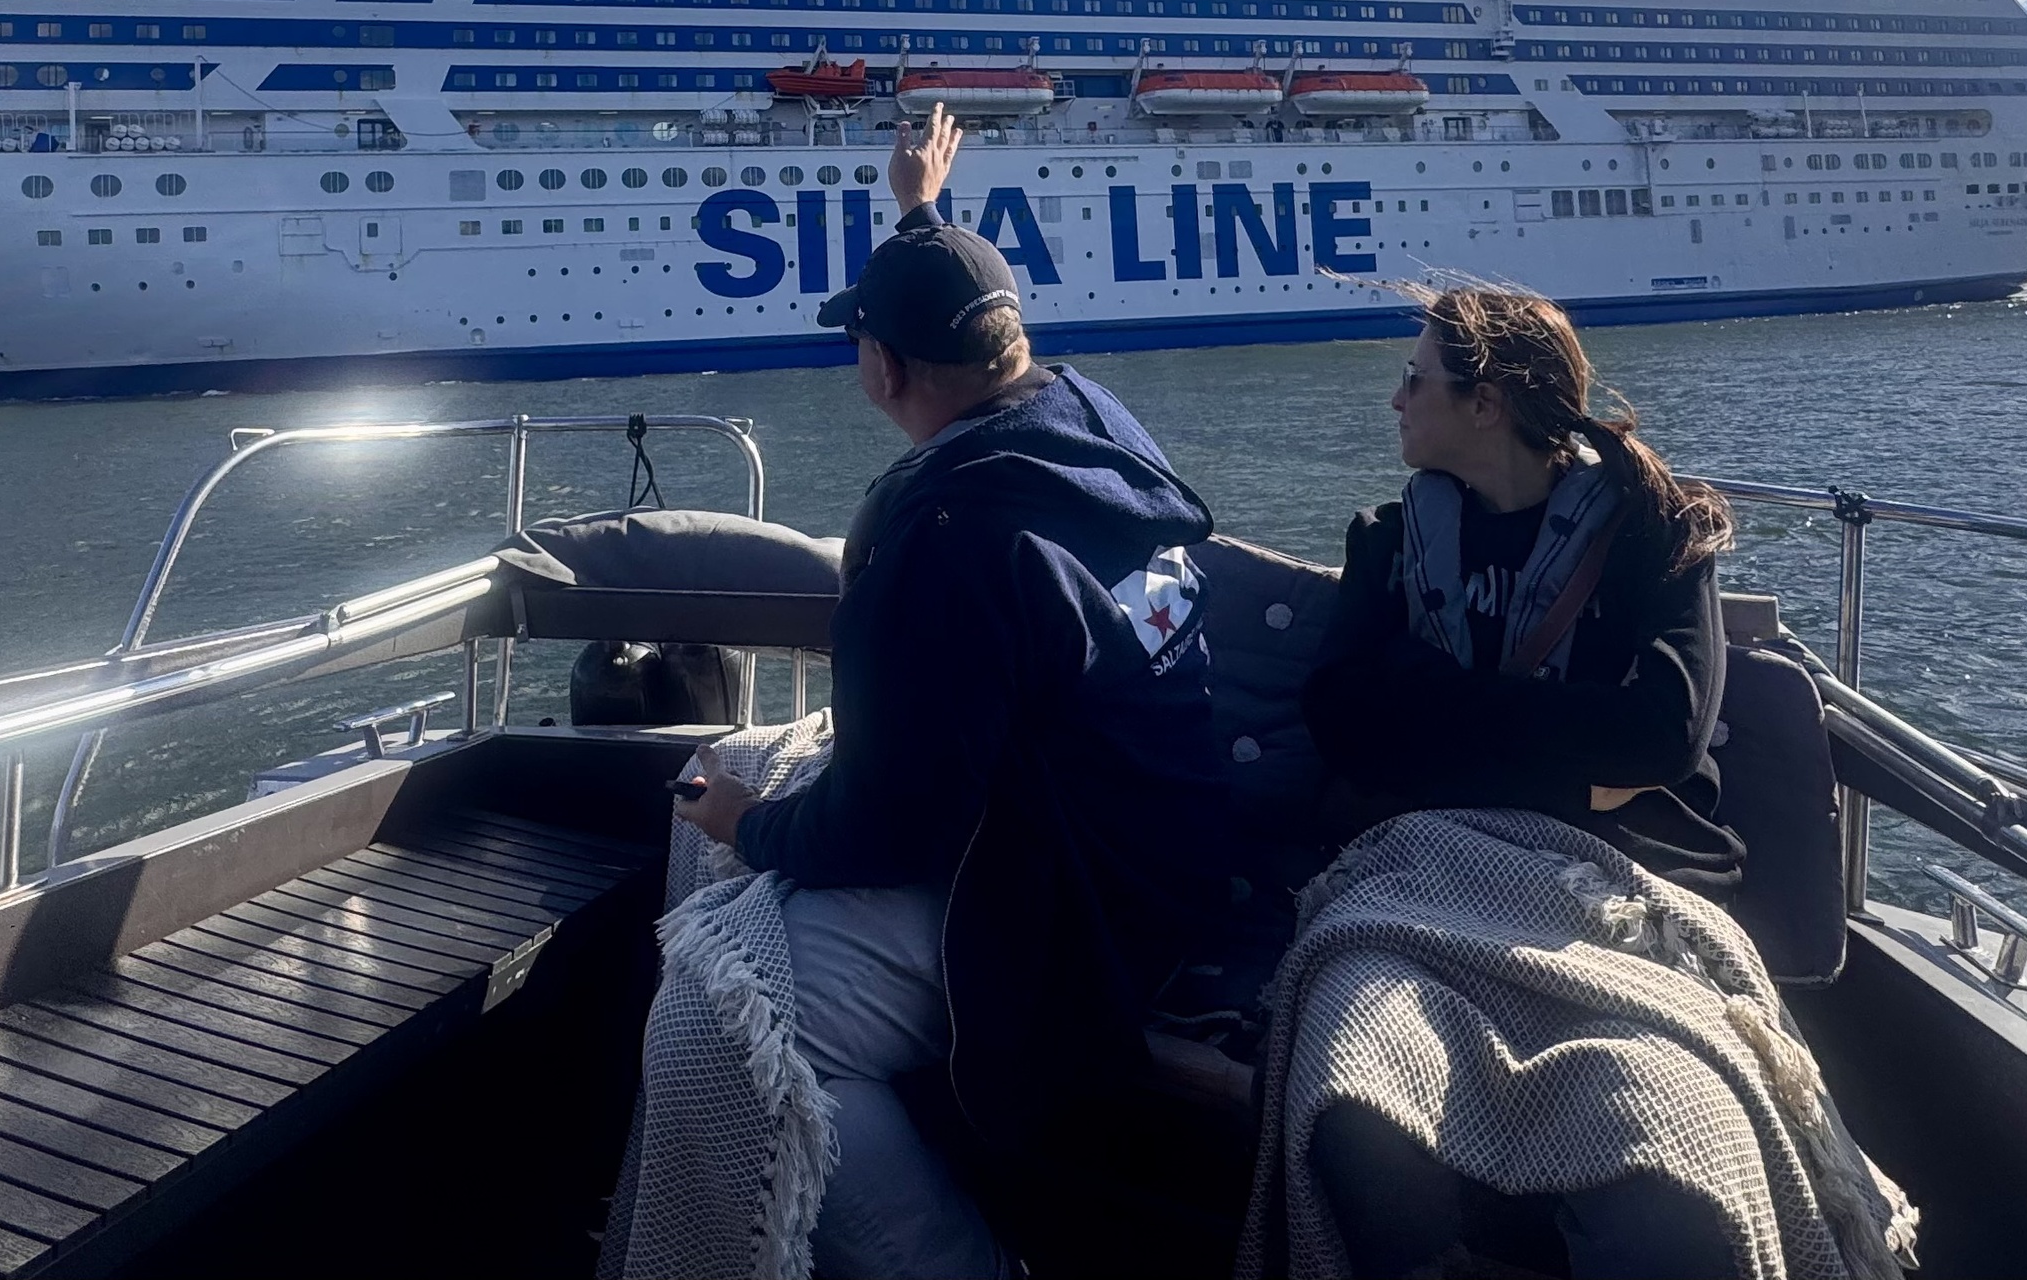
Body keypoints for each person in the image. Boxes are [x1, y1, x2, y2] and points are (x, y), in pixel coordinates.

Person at [672, 104, 1230, 1280]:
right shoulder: (1092, 422)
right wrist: (920, 213)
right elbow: (959, 311)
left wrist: (748, 823)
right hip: (1167, 838)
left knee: (731, 1023)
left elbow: (899, 825)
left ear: (880, 369)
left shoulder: (944, 539)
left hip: (1068, 902)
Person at [1303, 283, 1742, 893]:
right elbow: (1339, 721)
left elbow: (1665, 738)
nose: (1395, 400)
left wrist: (1414, 688)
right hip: (1437, 860)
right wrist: (1575, 773)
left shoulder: (1656, 532)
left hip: (1625, 876)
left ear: (1483, 403)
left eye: (1414, 377)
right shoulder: (1387, 541)